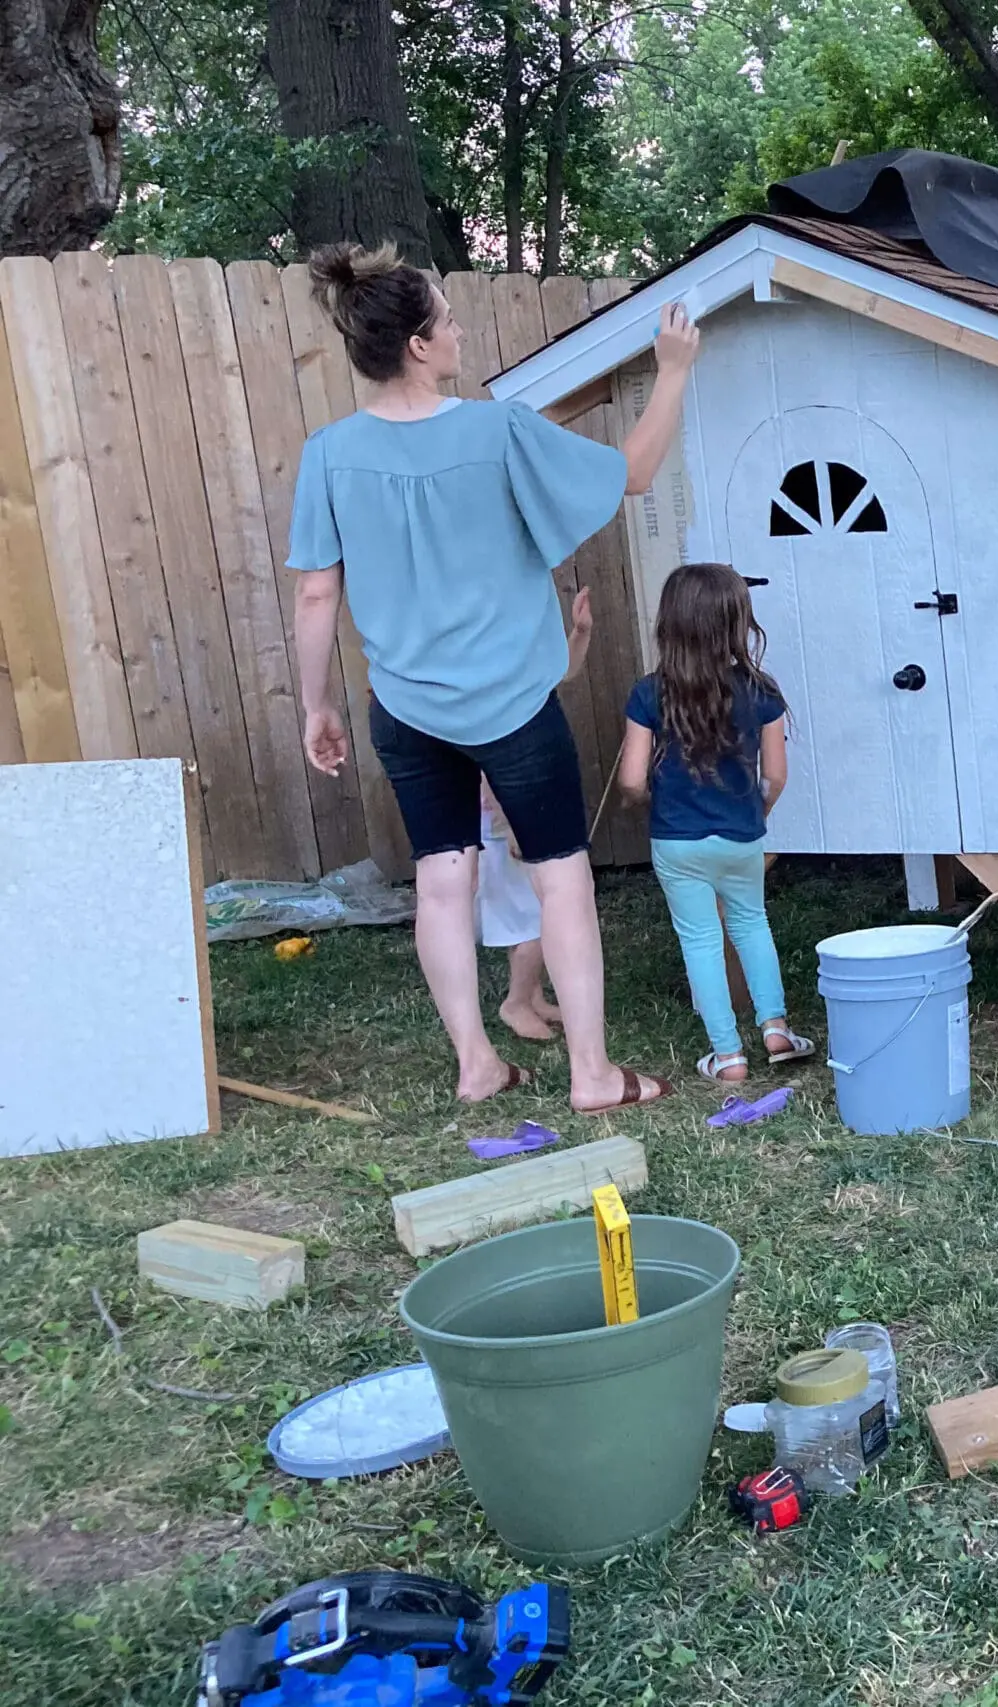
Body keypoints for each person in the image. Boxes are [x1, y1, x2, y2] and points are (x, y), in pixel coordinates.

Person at [287, 240, 698, 1113]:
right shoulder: (496, 428)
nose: (459, 327)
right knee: (561, 877)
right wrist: (672, 370)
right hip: (513, 706)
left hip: (404, 705)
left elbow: (318, 593)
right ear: (419, 348)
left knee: (442, 879)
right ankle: (593, 1075)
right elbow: (635, 473)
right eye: (447, 319)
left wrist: (317, 703)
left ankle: (477, 1063)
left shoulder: (328, 454)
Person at [614, 562, 812, 1085]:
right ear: (736, 623)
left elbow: (631, 779)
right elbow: (776, 777)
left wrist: (643, 805)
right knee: (751, 924)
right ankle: (776, 1031)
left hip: (677, 841)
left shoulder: (648, 693)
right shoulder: (760, 691)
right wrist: (755, 815)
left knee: (699, 939)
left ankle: (728, 1056)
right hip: (742, 837)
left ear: (669, 624)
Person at [483, 589, 593, 1042]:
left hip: (522, 816)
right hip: (503, 827)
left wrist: (580, 633)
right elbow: (488, 773)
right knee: (534, 922)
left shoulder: (518, 675)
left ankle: (534, 996)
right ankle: (514, 1002)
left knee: (538, 912)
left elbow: (562, 672)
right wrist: (509, 826)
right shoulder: (489, 696)